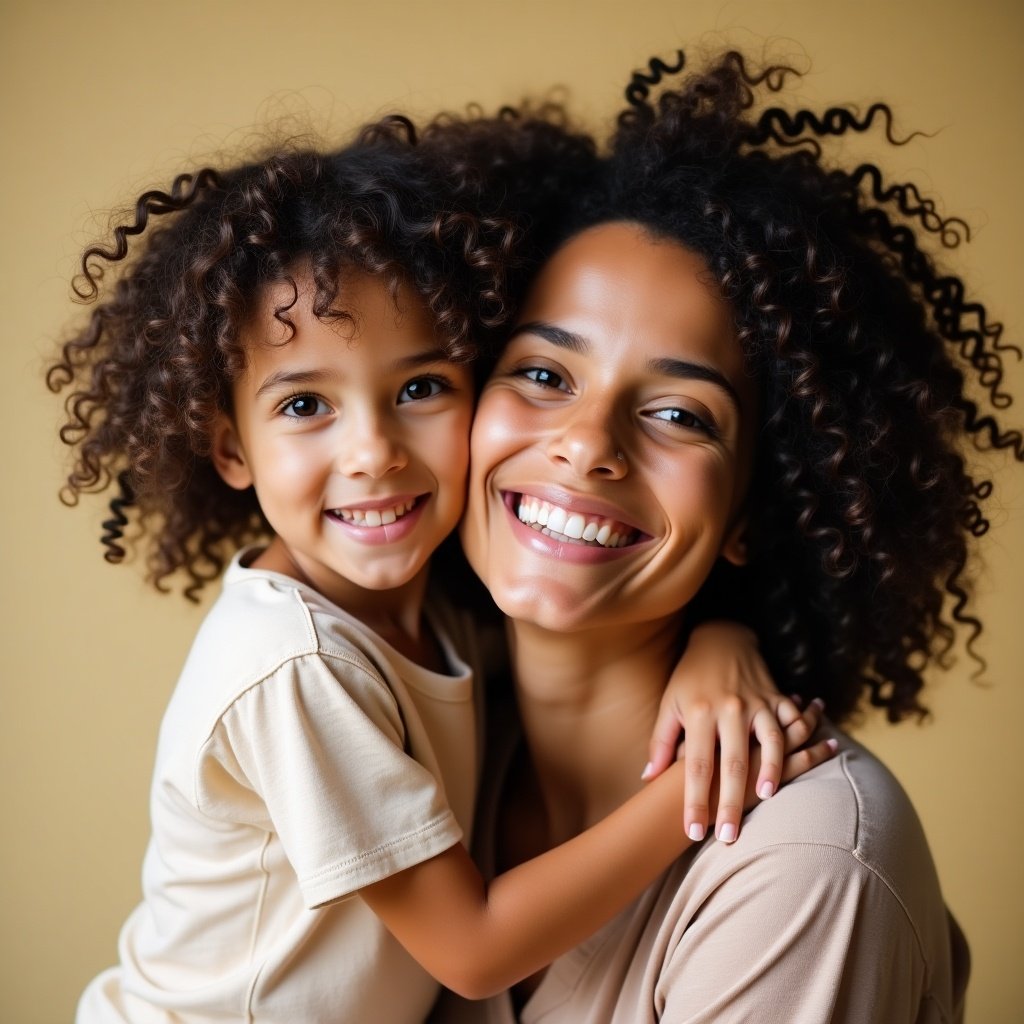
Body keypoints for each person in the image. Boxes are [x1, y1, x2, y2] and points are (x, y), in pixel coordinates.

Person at [48, 119, 832, 1024]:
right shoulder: (294, 665)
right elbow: (474, 950)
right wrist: (695, 790)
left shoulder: (430, 613)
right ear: (229, 448)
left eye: (420, 389)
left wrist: (723, 642)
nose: (374, 452)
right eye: (305, 404)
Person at [432, 48, 1021, 1022]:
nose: (586, 445)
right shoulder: (418, 734)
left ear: (751, 511)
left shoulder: (805, 861)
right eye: (542, 373)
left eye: (682, 415)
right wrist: (723, 634)